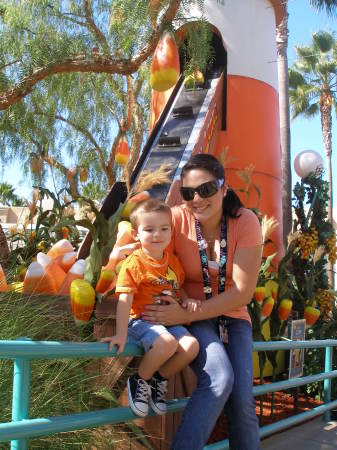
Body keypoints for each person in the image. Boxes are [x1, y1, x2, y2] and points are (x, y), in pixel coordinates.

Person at [138, 153, 263, 449]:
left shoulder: (245, 222)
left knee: (243, 402)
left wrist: (184, 317)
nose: (197, 199)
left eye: (206, 189)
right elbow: (145, 243)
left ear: (223, 187)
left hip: (232, 316)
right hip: (193, 314)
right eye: (188, 192)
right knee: (219, 379)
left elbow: (243, 292)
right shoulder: (176, 218)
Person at [101, 198, 200, 418]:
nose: (157, 235)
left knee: (191, 345)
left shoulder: (172, 261)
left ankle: (158, 379)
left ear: (171, 232)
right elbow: (125, 300)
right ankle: (140, 379)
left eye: (164, 229)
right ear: (136, 234)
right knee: (167, 343)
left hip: (168, 322)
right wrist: (120, 334)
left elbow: (178, 286)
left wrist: (186, 300)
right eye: (149, 229)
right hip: (142, 320)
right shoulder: (134, 263)